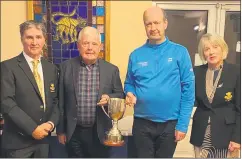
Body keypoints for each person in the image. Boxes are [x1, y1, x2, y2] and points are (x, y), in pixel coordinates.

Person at [124, 7, 195, 158]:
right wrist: (130, 92)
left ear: (165, 24)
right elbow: (129, 83)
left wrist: (182, 124)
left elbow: (188, 91)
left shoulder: (180, 52)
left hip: (170, 124)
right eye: (148, 24)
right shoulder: (135, 55)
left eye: (156, 22)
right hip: (142, 123)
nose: (153, 28)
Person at [56, 26, 124, 158]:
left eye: (94, 44)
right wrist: (61, 130)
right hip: (73, 132)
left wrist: (109, 98)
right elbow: (60, 101)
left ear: (100, 46)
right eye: (85, 43)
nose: (90, 48)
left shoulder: (111, 70)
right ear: (78, 45)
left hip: (100, 133)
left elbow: (120, 95)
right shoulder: (65, 68)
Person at [0, 20, 59, 158]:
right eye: (29, 37)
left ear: (44, 39)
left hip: (43, 143)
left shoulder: (52, 69)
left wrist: (50, 124)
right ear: (22, 39)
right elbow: (7, 103)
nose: (34, 42)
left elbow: (56, 101)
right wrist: (32, 129)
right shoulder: (8, 67)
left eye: (38, 37)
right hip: (18, 144)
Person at [190, 33, 241, 158]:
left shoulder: (236, 72)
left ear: (222, 49)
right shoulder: (196, 72)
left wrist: (237, 138)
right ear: (203, 53)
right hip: (201, 132)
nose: (211, 52)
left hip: (227, 135)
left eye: (215, 47)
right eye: (207, 49)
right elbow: (189, 99)